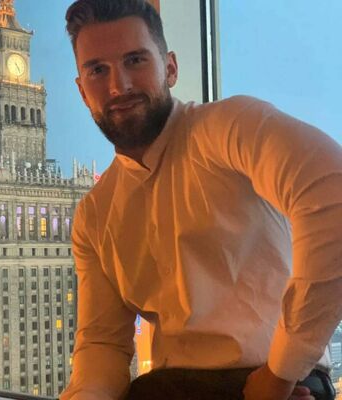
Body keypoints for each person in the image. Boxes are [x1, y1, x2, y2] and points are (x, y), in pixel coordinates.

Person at [60, 1, 342, 399]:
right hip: (170, 389)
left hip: (279, 381)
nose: (118, 86)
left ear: (170, 68)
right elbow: (102, 343)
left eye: (135, 60)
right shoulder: (95, 213)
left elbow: (333, 193)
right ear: (81, 91)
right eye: (97, 70)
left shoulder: (230, 128)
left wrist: (280, 374)